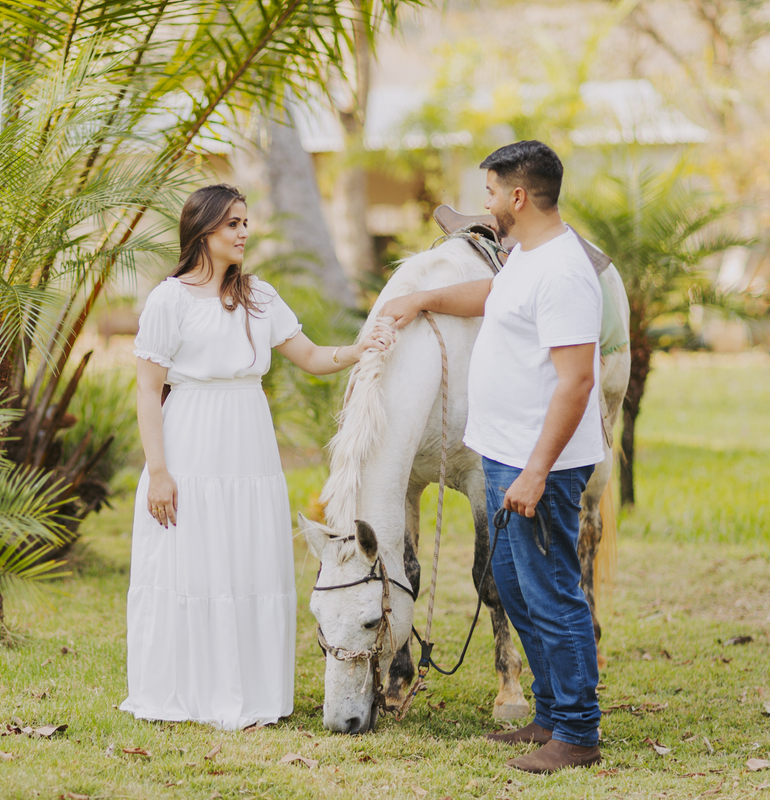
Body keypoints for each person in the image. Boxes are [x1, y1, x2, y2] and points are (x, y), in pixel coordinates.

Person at [120, 183, 391, 730]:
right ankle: (189, 691)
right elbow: (148, 390)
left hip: (248, 441)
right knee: (191, 562)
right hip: (190, 440)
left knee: (247, 558)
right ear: (203, 231)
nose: (244, 232)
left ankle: (249, 690)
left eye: (245, 222)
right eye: (233, 224)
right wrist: (159, 472)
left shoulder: (259, 296)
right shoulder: (169, 301)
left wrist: (359, 349)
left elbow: (310, 355)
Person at [379, 141, 604, 773]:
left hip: (540, 465)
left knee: (551, 592)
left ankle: (577, 733)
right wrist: (422, 299)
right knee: (515, 585)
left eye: (490, 191)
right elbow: (492, 296)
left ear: (518, 196)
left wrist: (536, 471)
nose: (485, 202)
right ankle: (550, 714)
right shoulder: (526, 255)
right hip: (502, 456)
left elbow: (576, 383)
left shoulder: (563, 273)